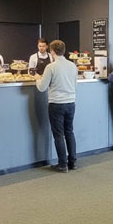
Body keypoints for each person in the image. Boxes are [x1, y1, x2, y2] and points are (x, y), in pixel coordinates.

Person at [34, 40, 78, 173]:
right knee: (69, 132)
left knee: (58, 135)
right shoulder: (72, 66)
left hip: (56, 104)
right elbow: (74, 84)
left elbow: (42, 87)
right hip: (71, 103)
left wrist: (37, 78)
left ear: (52, 51)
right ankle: (73, 162)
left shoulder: (51, 67)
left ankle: (62, 164)